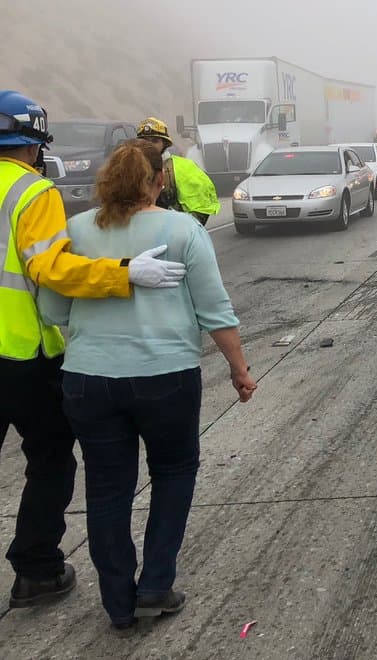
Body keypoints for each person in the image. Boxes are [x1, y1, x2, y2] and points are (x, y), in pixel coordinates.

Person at [38, 140, 256, 632]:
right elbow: (215, 311)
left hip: (89, 380)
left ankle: (118, 603)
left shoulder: (75, 230)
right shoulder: (183, 229)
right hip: (165, 377)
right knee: (174, 472)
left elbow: (52, 309)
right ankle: (156, 584)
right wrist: (239, 370)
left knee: (106, 489)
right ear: (159, 181)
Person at [0, 91, 186, 612]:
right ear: (34, 144)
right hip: (22, 356)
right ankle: (36, 571)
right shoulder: (31, 190)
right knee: (50, 458)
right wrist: (124, 273)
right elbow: (50, 269)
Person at [135, 119, 220, 226]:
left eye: (154, 141)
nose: (148, 145)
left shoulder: (185, 168)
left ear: (165, 144)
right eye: (144, 141)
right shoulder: (127, 169)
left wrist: (179, 229)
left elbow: (200, 211)